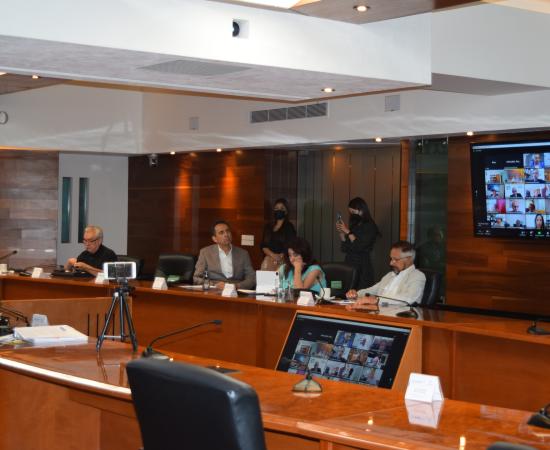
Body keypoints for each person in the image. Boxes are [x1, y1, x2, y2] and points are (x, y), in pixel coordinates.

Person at [345, 240, 426, 308]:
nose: (391, 263)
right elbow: (371, 291)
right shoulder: (390, 275)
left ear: (408, 259)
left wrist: (377, 300)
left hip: (401, 317)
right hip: (380, 313)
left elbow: (408, 298)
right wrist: (356, 294)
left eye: (395, 259)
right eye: (391, 259)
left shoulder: (417, 276)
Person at [193, 220, 255, 289]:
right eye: (221, 232)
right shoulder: (205, 252)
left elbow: (252, 278)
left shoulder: (243, 254)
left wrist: (236, 286)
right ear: (214, 239)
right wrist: (214, 285)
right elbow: (196, 278)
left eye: (228, 231)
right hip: (214, 291)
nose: (226, 235)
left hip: (235, 291)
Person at [336, 197, 380, 289]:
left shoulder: (370, 226)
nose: (352, 215)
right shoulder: (355, 224)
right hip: (349, 262)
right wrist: (341, 233)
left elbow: (359, 246)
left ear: (361, 209)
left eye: (353, 212)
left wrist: (348, 232)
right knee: (346, 289)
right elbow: (345, 247)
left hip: (362, 265)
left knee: (360, 290)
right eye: (350, 212)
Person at [259, 198, 296, 271]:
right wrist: (273, 255)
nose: (279, 210)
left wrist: (280, 256)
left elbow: (291, 245)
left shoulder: (289, 227)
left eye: (282, 208)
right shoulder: (268, 226)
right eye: (276, 208)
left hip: (283, 260)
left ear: (286, 211)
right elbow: (263, 245)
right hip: (268, 259)